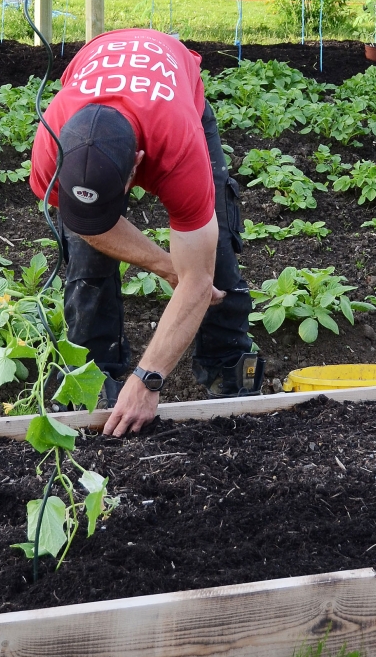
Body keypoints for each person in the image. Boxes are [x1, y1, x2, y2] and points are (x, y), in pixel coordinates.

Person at [29, 29, 264, 438]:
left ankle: (230, 382)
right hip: (101, 64)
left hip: (171, 91)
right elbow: (93, 228)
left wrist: (149, 378)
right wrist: (163, 263)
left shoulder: (178, 147)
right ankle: (96, 389)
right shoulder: (51, 146)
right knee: (86, 271)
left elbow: (198, 278)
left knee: (219, 262)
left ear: (139, 166)